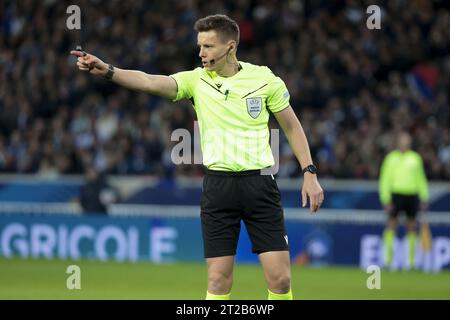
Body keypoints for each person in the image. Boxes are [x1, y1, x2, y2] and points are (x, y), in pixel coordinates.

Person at [71, 14, 324, 300]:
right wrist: (108, 71)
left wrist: (309, 172)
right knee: (218, 281)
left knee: (280, 280)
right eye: (199, 45)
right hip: (218, 188)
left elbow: (291, 125)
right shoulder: (196, 81)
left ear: (230, 47)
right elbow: (148, 82)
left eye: (208, 46)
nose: (201, 53)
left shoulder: (263, 79)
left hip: (261, 185)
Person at [379, 132, 429, 270]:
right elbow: (385, 180)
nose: (404, 143)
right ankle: (388, 260)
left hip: (412, 194)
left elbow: (421, 179)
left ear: (410, 143)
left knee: (412, 226)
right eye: (402, 141)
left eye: (407, 141)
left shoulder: (415, 158)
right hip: (396, 194)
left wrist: (424, 197)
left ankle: (411, 262)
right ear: (398, 142)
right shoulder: (391, 158)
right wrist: (385, 199)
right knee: (391, 225)